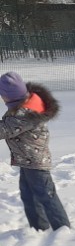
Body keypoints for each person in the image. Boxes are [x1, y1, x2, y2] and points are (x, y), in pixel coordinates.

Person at [0, 71, 70, 232]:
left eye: (2, 95)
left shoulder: (24, 114)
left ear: (10, 96)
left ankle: (62, 229)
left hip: (35, 162)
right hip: (27, 161)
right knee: (29, 196)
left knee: (46, 196)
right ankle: (39, 228)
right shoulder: (21, 107)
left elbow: (5, 130)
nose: (1, 98)